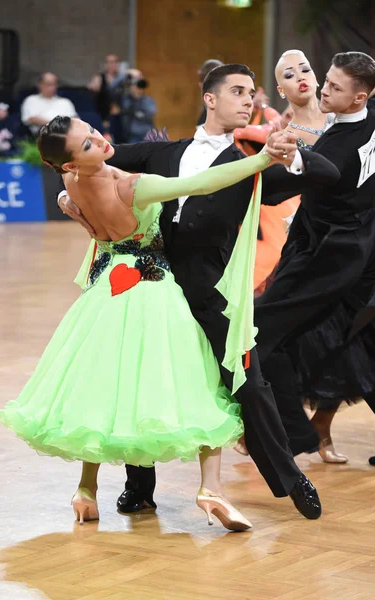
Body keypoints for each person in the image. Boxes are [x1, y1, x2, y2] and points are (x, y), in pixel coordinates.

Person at [59, 64, 341, 520]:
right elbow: (86, 161)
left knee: (248, 383)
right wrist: (67, 195)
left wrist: (294, 152)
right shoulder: (162, 154)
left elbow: (325, 176)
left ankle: (290, 477)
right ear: (210, 99)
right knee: (140, 381)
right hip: (151, 290)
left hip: (211, 296)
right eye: (237, 91)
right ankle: (140, 488)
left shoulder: (252, 166)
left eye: (252, 93)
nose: (248, 99)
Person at [0, 115, 296, 531]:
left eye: (93, 132)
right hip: (152, 292)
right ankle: (210, 489)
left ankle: (86, 490)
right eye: (86, 145)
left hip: (105, 294)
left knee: (100, 388)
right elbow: (203, 184)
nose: (100, 142)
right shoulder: (129, 187)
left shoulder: (71, 185)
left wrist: (70, 204)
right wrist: (261, 159)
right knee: (197, 383)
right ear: (68, 164)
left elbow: (89, 214)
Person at [254, 51, 375, 461]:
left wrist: (289, 158)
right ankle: (306, 430)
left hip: (329, 255)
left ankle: (292, 433)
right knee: (356, 343)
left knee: (262, 330)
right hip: (350, 251)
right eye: (325, 77)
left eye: (335, 87)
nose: (322, 87)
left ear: (359, 98)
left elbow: (321, 171)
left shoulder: (336, 148)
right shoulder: (364, 113)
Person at [270, 49, 349, 464]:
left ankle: (323, 425)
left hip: (354, 238)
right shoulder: (283, 132)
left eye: (305, 68)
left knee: (352, 338)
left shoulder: (345, 117)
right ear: (280, 89)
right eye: (289, 73)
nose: (300, 76)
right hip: (311, 239)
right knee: (302, 339)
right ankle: (276, 423)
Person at [20, 72, 77, 137]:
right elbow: (32, 119)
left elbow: (74, 120)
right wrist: (56, 126)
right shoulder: (31, 100)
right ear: (40, 85)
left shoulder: (65, 102)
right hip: (41, 136)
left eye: (54, 84)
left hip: (66, 135)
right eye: (49, 84)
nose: (52, 88)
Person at [122, 76, 156, 142]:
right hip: (133, 135)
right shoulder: (126, 100)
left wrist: (136, 113)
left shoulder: (148, 100)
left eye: (138, 86)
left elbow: (150, 114)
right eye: (134, 86)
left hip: (147, 134)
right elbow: (126, 110)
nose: (137, 88)